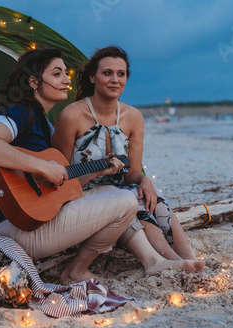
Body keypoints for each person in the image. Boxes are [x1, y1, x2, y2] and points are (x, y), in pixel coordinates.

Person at [0, 48, 139, 284]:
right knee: (127, 201)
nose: (67, 80)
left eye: (66, 74)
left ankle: (77, 269)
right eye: (57, 74)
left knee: (114, 192)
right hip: (5, 229)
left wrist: (98, 170)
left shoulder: (45, 125)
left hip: (31, 222)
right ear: (34, 82)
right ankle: (75, 271)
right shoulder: (20, 111)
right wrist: (42, 166)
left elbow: (58, 188)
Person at [53, 46, 205, 275]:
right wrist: (97, 173)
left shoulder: (133, 117)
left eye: (121, 74)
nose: (115, 79)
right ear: (93, 77)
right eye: (107, 73)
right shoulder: (72, 115)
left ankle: (188, 258)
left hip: (122, 191)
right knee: (128, 198)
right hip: (81, 194)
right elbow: (60, 174)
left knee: (150, 192)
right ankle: (171, 261)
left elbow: (133, 171)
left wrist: (143, 180)